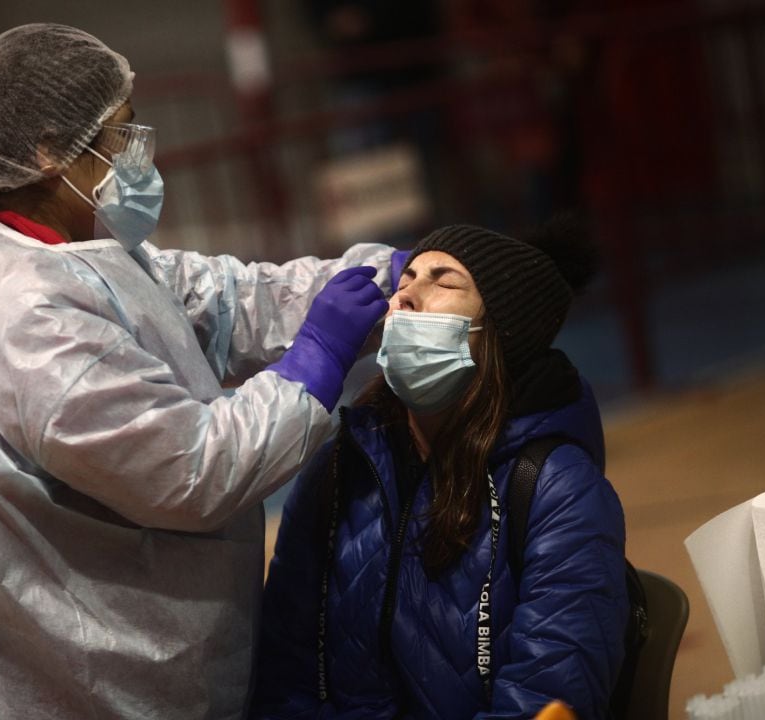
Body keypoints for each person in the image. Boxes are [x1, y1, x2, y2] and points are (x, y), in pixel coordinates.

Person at [0, 23, 406, 720]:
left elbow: (213, 299)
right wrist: (314, 362)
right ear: (51, 151)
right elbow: (194, 470)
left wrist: (368, 278)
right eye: (121, 133)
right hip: (94, 677)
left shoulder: (60, 246)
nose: (138, 154)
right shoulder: (24, 316)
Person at [252, 221, 629, 719]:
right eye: (405, 279)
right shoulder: (343, 465)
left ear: (498, 335)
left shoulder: (558, 488)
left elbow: (549, 694)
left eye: (444, 282)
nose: (406, 295)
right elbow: (285, 676)